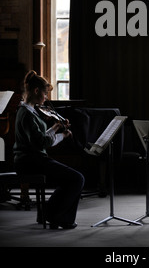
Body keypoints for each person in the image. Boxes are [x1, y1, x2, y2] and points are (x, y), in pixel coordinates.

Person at [13, 70, 85, 229]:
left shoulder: (27, 110)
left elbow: (39, 136)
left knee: (70, 180)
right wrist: (63, 136)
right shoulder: (27, 113)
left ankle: (48, 214)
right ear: (36, 91)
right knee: (77, 179)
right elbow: (41, 143)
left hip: (32, 159)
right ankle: (60, 218)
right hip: (31, 161)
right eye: (45, 94)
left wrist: (55, 127)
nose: (46, 98)